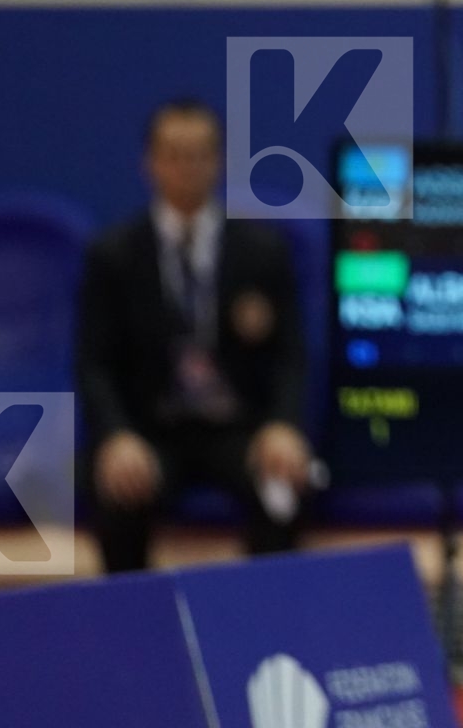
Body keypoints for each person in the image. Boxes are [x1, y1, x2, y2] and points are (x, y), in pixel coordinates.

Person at [76, 99, 313, 573]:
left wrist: (284, 425)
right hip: (151, 431)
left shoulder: (262, 251)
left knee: (281, 487)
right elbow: (92, 363)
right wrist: (117, 436)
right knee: (119, 488)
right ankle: (133, 634)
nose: (187, 167)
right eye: (174, 154)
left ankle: (268, 633)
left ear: (218, 160)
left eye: (199, 154)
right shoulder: (114, 255)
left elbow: (293, 355)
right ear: (150, 163)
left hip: (237, 430)